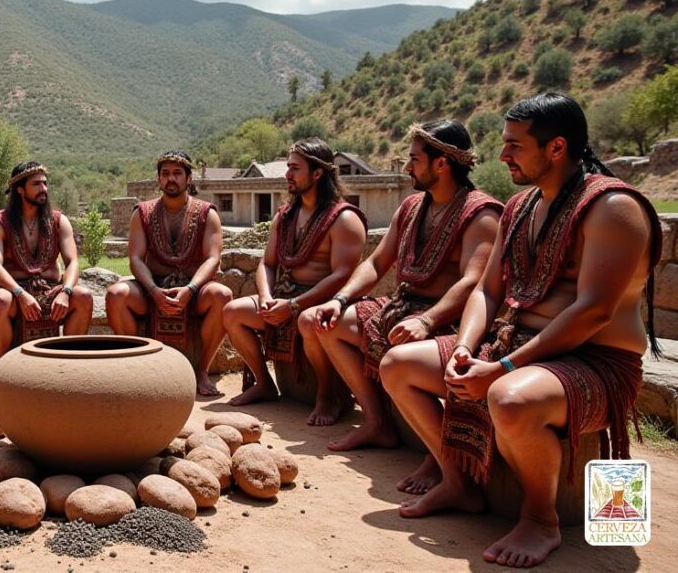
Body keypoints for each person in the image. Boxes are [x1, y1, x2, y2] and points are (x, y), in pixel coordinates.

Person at [380, 93, 661, 568]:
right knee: (399, 364)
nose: (503, 155)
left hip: (595, 362)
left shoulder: (614, 207)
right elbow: (488, 293)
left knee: (508, 398)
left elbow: (593, 311)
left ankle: (541, 519)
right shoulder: (519, 207)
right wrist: (466, 348)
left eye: (514, 145)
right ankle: (458, 481)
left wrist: (503, 367)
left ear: (556, 148)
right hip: (508, 345)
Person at [309, 121, 500, 491]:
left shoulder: (482, 214)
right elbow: (376, 264)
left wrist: (426, 322)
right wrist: (339, 299)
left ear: (442, 163)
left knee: (410, 350)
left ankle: (439, 455)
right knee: (320, 322)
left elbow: (472, 282)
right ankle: (377, 422)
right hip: (402, 306)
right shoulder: (412, 206)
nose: (407, 167)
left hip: (450, 321)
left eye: (414, 159)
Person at [221, 139, 366, 409]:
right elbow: (268, 263)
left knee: (308, 322)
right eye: (288, 167)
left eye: (295, 168)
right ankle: (264, 384)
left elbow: (343, 275)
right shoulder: (285, 215)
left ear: (317, 173)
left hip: (322, 303)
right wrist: (266, 298)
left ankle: (327, 395)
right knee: (232, 312)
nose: (287, 174)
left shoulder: (344, 219)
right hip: (283, 297)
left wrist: (295, 305)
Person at [105, 150, 233, 396]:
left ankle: (202, 372)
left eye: (177, 173)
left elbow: (212, 259)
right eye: (165, 174)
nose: (171, 179)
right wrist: (153, 290)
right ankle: (136, 367)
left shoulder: (208, 213)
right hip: (152, 288)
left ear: (189, 178)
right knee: (115, 294)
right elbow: (135, 258)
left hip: (194, 290)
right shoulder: (141, 212)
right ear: (158, 179)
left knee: (222, 295)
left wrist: (190, 289)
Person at [0, 161, 93, 359]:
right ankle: (0, 372)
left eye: (45, 183)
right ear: (19, 189)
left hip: (50, 289)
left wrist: (66, 292)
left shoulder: (59, 220)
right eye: (36, 184)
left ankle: (70, 365)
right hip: (12, 290)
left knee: (83, 296)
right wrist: (20, 294)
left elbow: (73, 262)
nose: (43, 189)